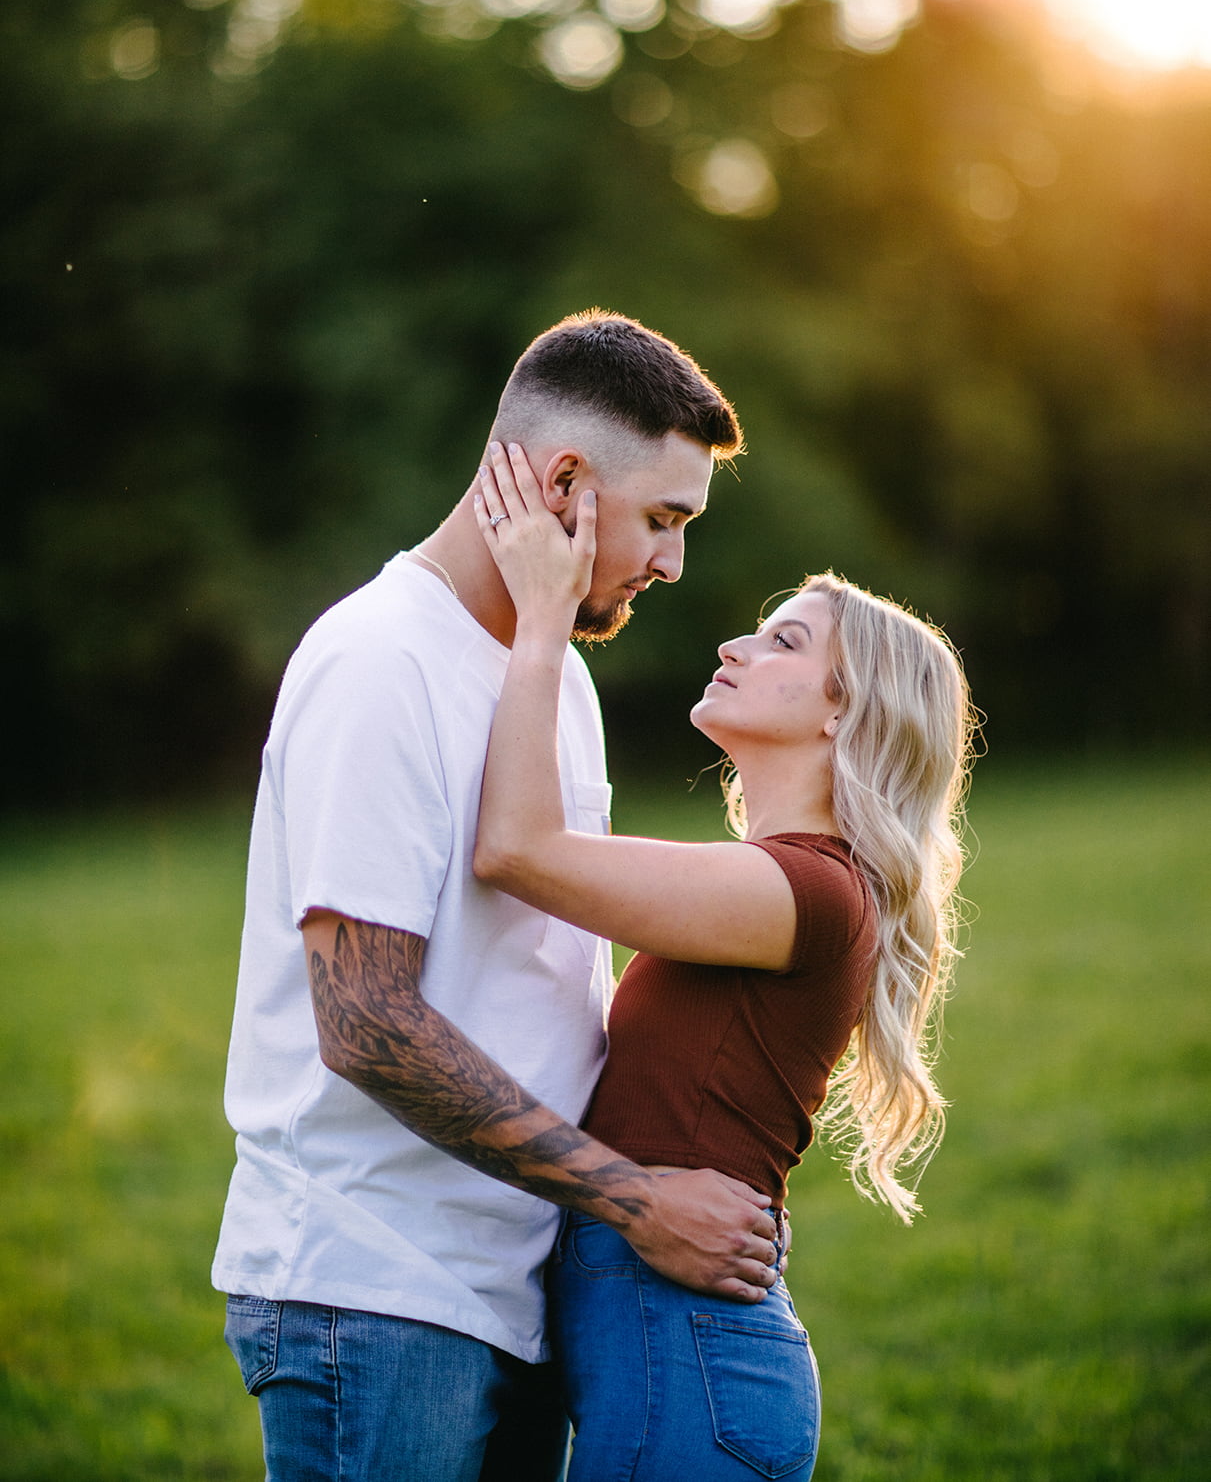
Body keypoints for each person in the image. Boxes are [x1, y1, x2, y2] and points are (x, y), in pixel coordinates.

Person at [212, 311, 783, 1482]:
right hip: (374, 1288)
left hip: (512, 1284)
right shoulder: (380, 660)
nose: (672, 564)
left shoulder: (553, 671)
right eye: (663, 519)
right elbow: (364, 1020)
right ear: (564, 480)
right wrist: (632, 1197)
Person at [472, 444, 975, 1482]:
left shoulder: (806, 887)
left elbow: (516, 848)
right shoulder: (790, 881)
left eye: (781, 638)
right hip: (670, 1355)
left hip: (693, 1367)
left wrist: (540, 617)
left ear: (843, 706)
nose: (734, 641)